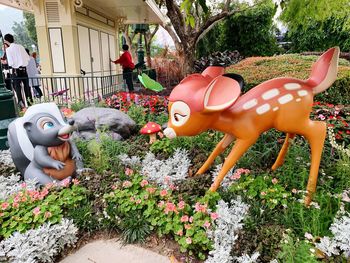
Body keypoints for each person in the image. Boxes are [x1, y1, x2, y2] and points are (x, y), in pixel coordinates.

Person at [4, 33, 32, 108]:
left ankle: (22, 108)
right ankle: (30, 105)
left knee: (18, 90)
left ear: (6, 41)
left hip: (16, 71)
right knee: (27, 88)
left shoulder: (8, 50)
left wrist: (5, 62)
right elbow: (28, 58)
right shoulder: (21, 47)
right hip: (24, 70)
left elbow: (11, 63)